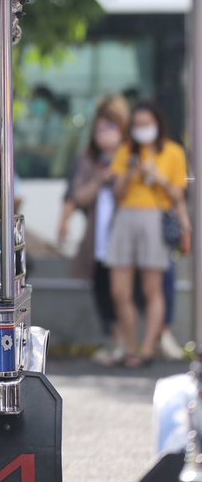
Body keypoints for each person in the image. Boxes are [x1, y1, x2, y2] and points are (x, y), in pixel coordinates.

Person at [108, 100, 191, 368]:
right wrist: (133, 172)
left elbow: (179, 195)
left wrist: (159, 177)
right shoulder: (126, 151)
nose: (142, 129)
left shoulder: (173, 152)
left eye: (147, 124)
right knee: (120, 290)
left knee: (151, 288)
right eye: (138, 124)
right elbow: (117, 193)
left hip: (155, 216)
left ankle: (147, 350)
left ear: (157, 124)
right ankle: (130, 347)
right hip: (126, 217)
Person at [58, 95, 130, 366]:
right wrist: (100, 179)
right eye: (100, 129)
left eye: (110, 128)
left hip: (127, 241)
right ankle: (116, 341)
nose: (104, 135)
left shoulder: (132, 158)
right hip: (98, 242)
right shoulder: (89, 160)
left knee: (123, 294)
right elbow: (78, 196)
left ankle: (130, 344)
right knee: (103, 292)